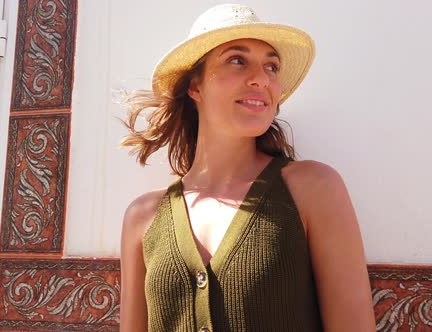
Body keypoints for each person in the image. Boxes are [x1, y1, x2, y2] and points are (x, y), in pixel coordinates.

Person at [119, 4, 375, 331]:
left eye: (272, 66)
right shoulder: (143, 216)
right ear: (194, 86)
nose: (260, 79)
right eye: (237, 60)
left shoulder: (313, 189)